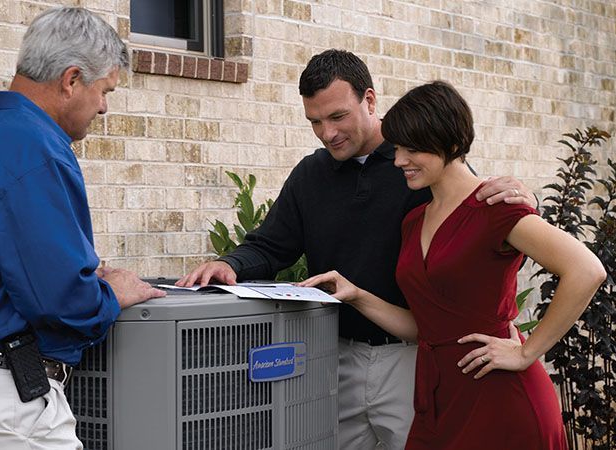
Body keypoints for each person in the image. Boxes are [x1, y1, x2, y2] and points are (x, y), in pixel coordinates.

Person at [176, 49, 537, 450]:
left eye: (337, 117)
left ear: (369, 100)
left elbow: (475, 205)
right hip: (337, 356)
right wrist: (229, 265)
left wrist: (526, 197)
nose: (327, 133)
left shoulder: (417, 166)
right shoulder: (310, 175)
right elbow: (269, 245)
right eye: (315, 121)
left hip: (413, 357)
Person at [0, 7, 165, 449]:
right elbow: (62, 299)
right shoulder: (34, 147)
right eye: (105, 90)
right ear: (71, 80)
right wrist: (111, 292)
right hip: (3, 403)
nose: (104, 107)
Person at [299, 81, 605, 449]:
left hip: (501, 400)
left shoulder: (496, 208)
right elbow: (426, 328)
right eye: (397, 149)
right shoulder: (415, 220)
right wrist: (356, 295)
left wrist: (527, 352)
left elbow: (587, 270)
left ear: (452, 144)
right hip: (439, 400)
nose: (399, 161)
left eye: (413, 149)